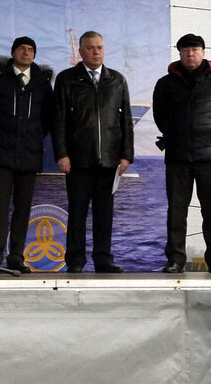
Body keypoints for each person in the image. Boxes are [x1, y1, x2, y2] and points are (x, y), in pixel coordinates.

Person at [153, 33, 211, 274]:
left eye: (195, 49)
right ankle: (175, 260)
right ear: (179, 53)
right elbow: (160, 116)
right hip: (177, 156)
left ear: (203, 52)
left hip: (209, 157)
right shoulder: (165, 83)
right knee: (176, 211)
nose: (190, 54)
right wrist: (175, 134)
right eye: (185, 50)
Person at [53, 31, 134, 273]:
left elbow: (126, 120)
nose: (96, 52)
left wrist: (126, 155)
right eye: (90, 48)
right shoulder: (67, 79)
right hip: (78, 161)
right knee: (77, 213)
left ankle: (103, 260)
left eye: (99, 47)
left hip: (109, 161)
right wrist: (62, 154)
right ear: (81, 51)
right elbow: (58, 120)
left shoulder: (117, 80)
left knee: (104, 214)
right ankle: (75, 261)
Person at [0, 36, 53, 273]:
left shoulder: (42, 83)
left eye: (31, 49)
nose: (26, 53)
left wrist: (32, 137)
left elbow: (48, 118)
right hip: (1, 155)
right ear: (13, 52)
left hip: (29, 156)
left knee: (23, 209)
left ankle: (16, 257)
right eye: (22, 49)